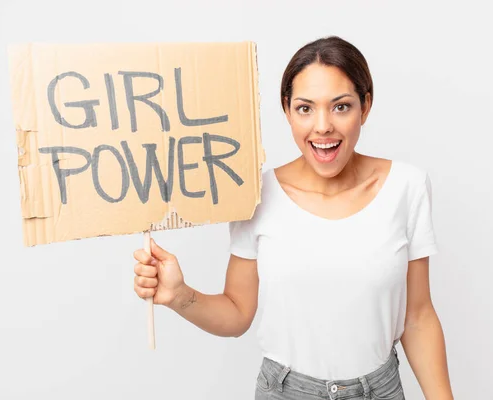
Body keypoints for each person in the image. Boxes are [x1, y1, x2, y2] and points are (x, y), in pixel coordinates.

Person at [133, 36, 454, 400]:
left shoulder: (407, 187)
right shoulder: (256, 196)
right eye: (305, 108)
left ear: (365, 106)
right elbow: (237, 313)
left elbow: (417, 317)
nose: (322, 127)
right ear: (286, 109)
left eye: (341, 107)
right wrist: (179, 295)